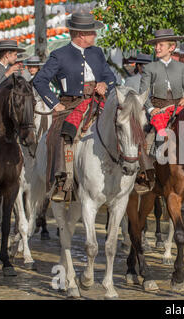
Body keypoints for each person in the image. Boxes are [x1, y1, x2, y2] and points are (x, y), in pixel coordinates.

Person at [33, 11, 116, 202]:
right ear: (81, 34)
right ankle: (62, 180)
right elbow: (40, 81)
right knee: (59, 134)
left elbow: (110, 77)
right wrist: (55, 104)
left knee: (124, 125)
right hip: (70, 105)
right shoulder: (59, 55)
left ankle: (135, 174)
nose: (95, 35)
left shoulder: (97, 53)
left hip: (97, 101)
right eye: (92, 32)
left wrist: (105, 84)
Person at [136, 29, 184, 192]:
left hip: (178, 108)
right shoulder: (149, 68)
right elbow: (143, 93)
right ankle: (146, 171)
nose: (157, 48)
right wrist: (151, 108)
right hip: (158, 109)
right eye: (156, 45)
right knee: (149, 136)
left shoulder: (181, 67)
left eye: (160, 45)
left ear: (171, 47)